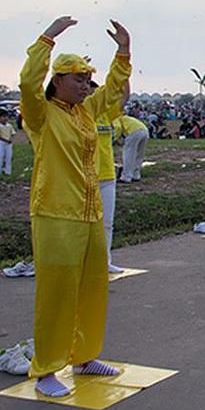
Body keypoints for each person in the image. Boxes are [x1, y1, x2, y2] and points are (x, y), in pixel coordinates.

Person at [20, 15, 131, 397]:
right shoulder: (41, 113)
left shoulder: (86, 111)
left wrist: (124, 52)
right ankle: (47, 369)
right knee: (56, 292)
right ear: (58, 80)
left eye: (87, 80)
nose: (86, 86)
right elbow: (27, 82)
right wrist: (48, 38)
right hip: (55, 213)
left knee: (92, 287)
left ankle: (84, 356)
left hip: (89, 212)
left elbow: (113, 91)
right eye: (79, 80)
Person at [90, 81, 127, 272]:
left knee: (107, 223)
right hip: (85, 177)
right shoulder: (79, 115)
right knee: (86, 225)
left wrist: (125, 75)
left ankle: (105, 261)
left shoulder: (105, 114)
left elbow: (124, 98)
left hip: (107, 175)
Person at [113, 113, 149, 182]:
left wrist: (115, 138)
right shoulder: (127, 118)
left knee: (128, 154)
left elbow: (118, 127)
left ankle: (126, 177)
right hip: (145, 131)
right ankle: (136, 175)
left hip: (133, 131)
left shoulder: (116, 118)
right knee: (139, 155)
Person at [0, 109, 14, 175]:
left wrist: (9, 139)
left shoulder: (9, 125)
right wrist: (6, 140)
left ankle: (8, 171)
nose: (5, 118)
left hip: (8, 143)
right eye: (3, 117)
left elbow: (12, 133)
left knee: (8, 157)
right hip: (1, 143)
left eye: (6, 116)